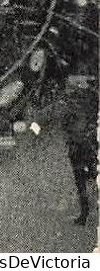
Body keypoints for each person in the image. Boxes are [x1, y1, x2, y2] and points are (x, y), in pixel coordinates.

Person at [63, 76, 97, 225]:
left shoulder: (69, 104)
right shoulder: (92, 101)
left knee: (80, 180)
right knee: (90, 175)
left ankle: (84, 214)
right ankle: (84, 213)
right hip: (88, 145)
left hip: (78, 146)